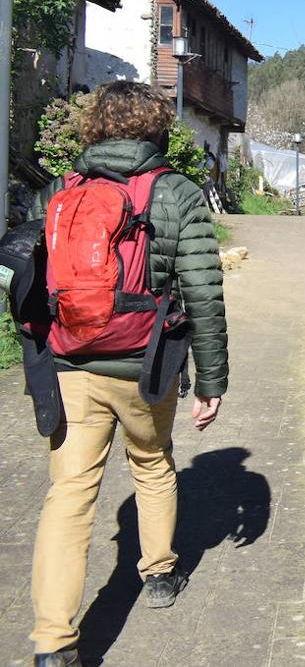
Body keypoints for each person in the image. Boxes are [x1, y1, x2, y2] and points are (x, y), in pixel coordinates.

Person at [26, 81, 229, 667]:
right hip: (146, 361)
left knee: (68, 494)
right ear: (156, 126)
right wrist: (211, 381)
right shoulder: (176, 192)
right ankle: (160, 574)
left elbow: (27, 272)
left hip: (71, 362)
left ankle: (52, 641)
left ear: (94, 127)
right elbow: (203, 292)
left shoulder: (60, 190)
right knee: (152, 461)